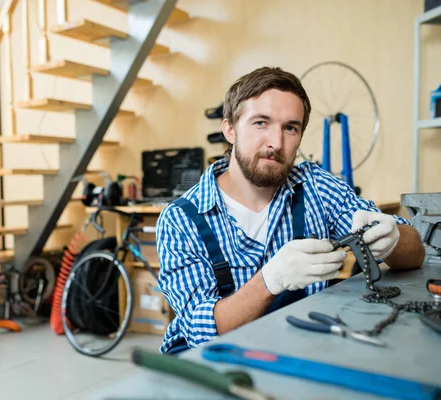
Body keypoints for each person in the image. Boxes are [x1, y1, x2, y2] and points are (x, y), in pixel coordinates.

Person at [155, 66, 425, 355]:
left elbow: (416, 254)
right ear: (230, 129)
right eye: (261, 123)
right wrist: (271, 280)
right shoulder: (181, 219)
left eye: (290, 127)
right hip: (211, 364)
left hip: (297, 350)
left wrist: (393, 238)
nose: (276, 142)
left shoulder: (316, 188)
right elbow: (203, 333)